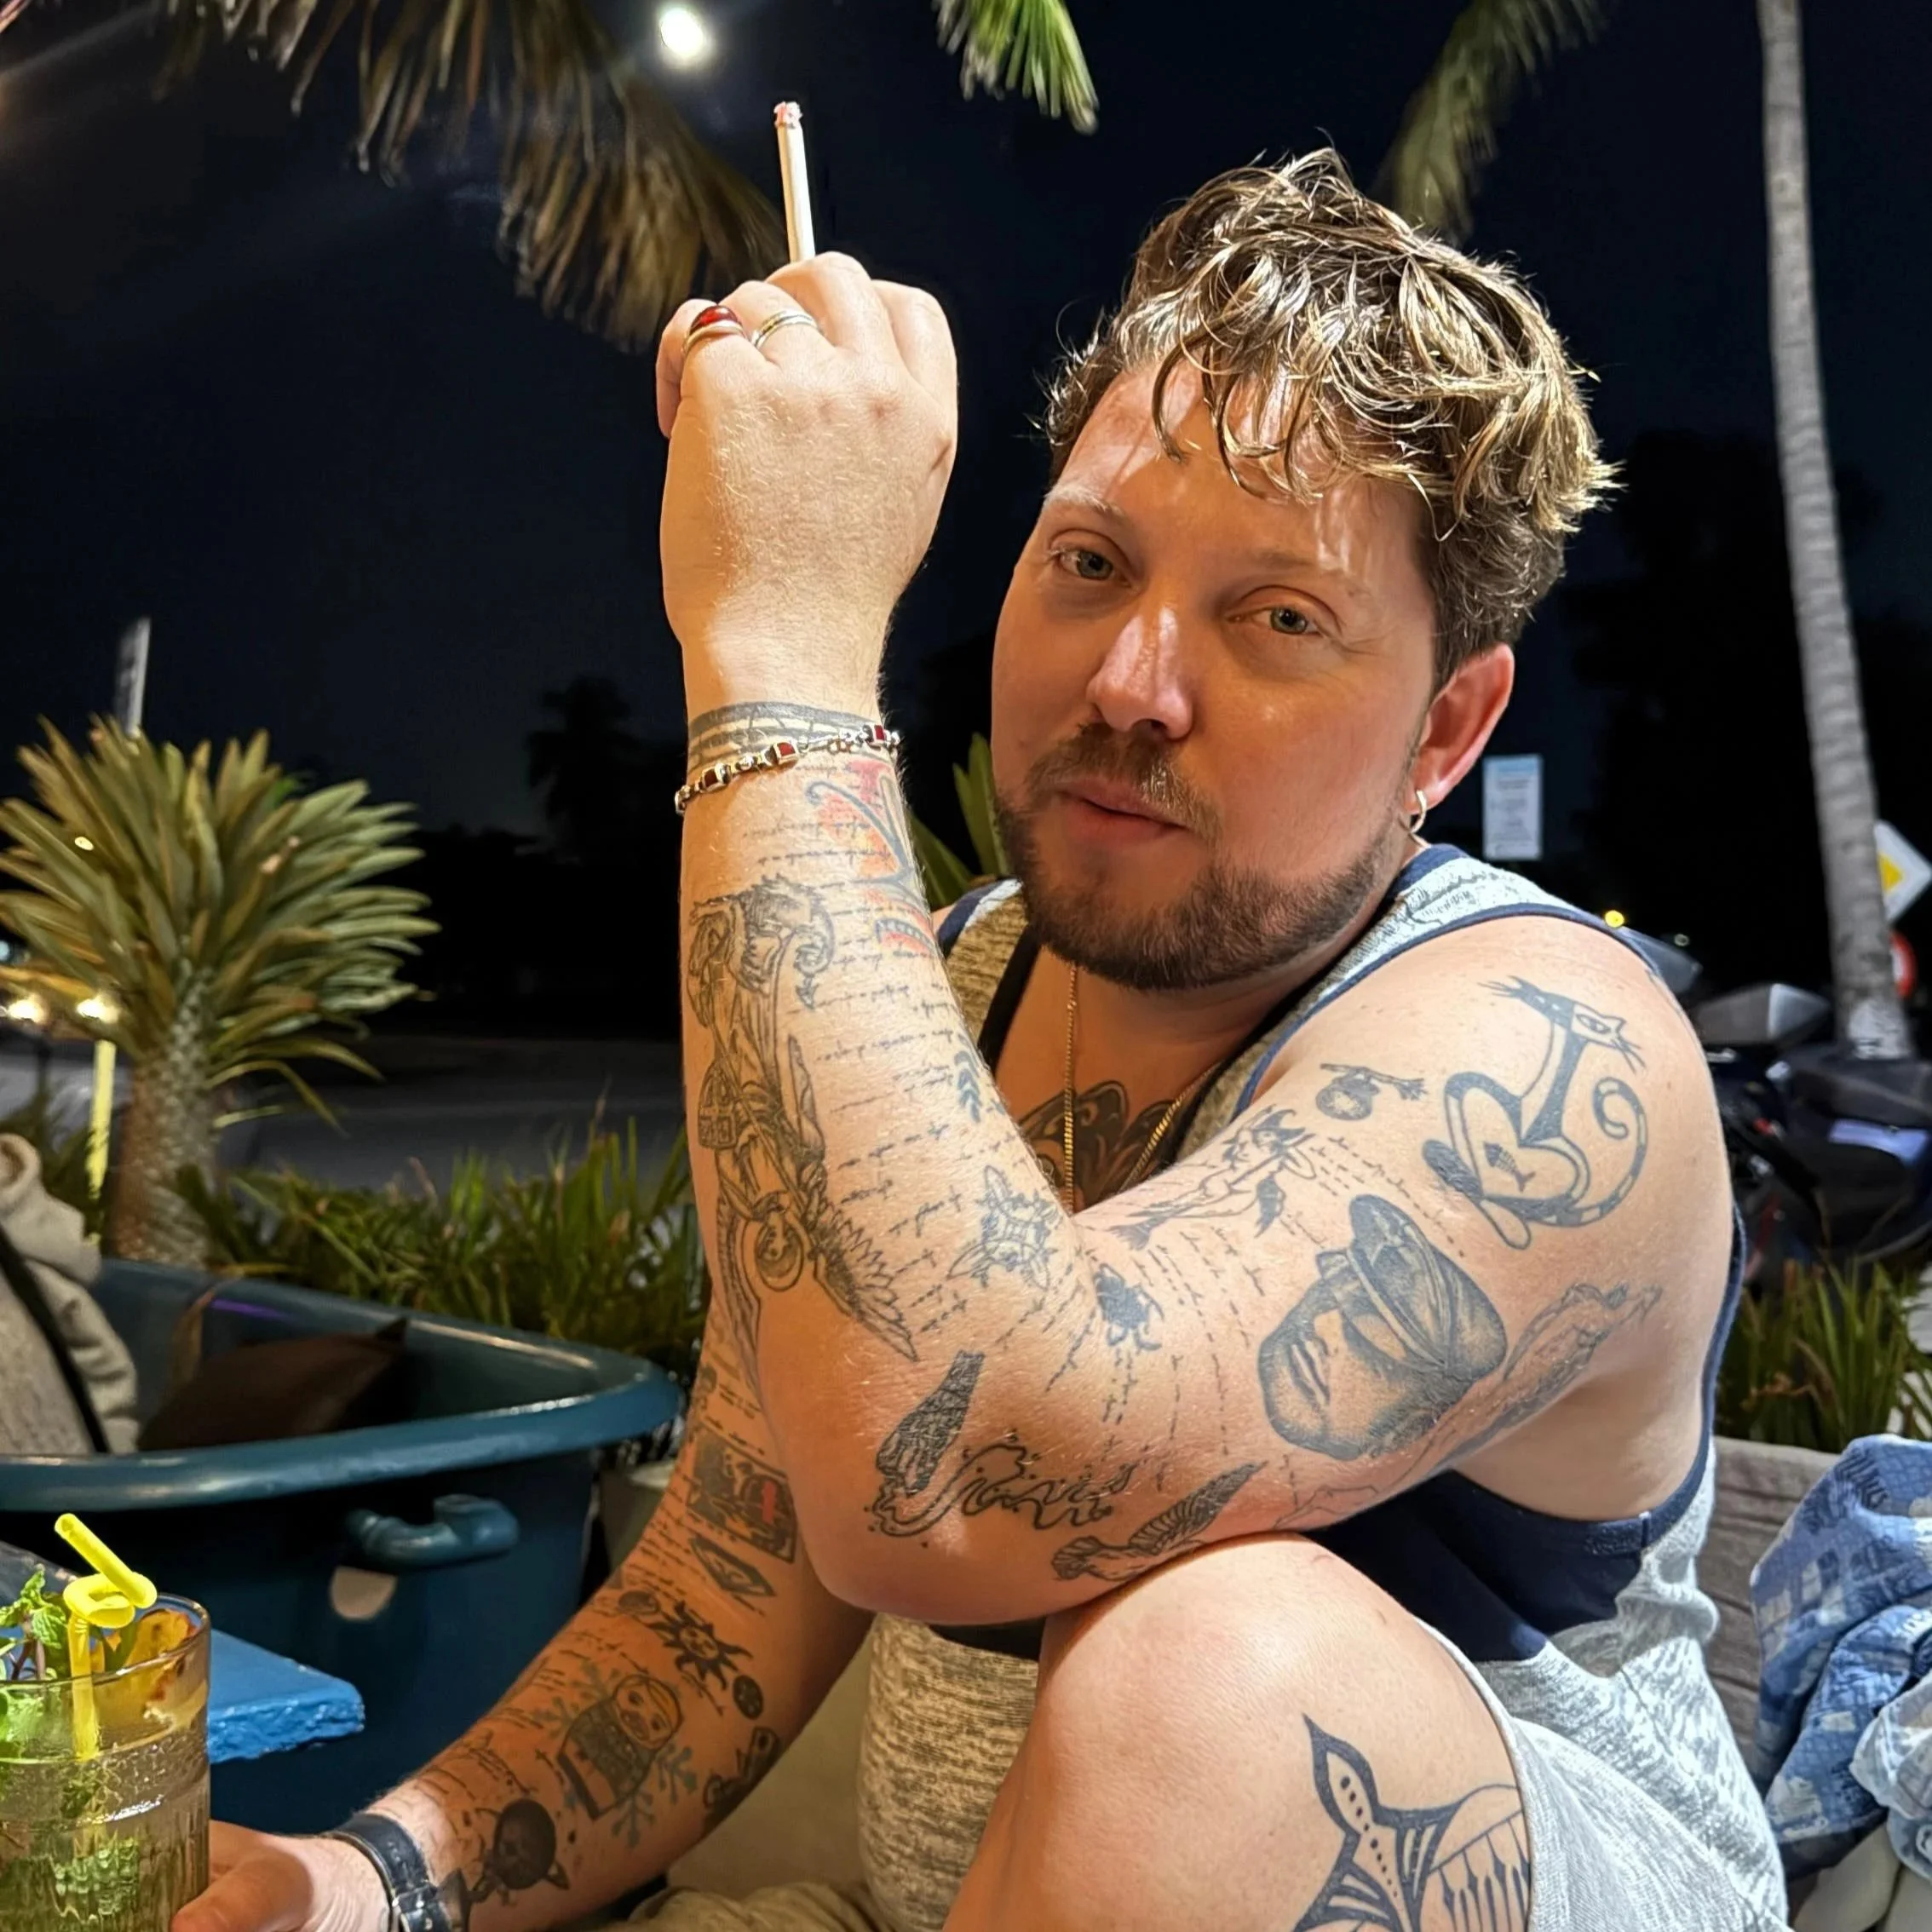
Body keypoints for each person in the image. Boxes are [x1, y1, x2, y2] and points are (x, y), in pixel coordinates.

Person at [176, 152, 1786, 1932]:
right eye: (1090, 563)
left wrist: (780, 637)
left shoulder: (1548, 1048)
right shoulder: (943, 983)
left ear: (1447, 729)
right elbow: (728, 1583)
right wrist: (360, 1888)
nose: (1131, 683)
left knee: (1215, 1679)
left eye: (1279, 620)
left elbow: (944, 1475)